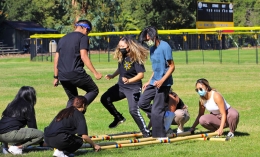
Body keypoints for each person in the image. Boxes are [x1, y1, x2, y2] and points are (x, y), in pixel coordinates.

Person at [100, 36, 150, 137]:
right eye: (119, 46)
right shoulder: (122, 56)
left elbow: (141, 75)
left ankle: (146, 132)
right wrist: (112, 75)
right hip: (121, 87)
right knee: (105, 98)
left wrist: (129, 80)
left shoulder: (135, 58)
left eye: (122, 46)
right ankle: (118, 117)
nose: (120, 48)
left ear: (129, 46)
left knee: (133, 111)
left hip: (133, 88)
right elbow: (121, 69)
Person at [53, 19, 102, 108]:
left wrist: (56, 77)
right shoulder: (83, 37)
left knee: (72, 98)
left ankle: (67, 118)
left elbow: (56, 58)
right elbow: (84, 56)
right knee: (93, 90)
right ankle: (77, 109)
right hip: (76, 73)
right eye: (89, 32)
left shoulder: (63, 38)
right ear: (86, 29)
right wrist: (95, 73)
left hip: (62, 75)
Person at [138, 26, 175, 138]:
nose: (146, 42)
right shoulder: (152, 49)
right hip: (154, 82)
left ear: (154, 36)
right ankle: (159, 115)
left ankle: (159, 135)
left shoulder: (165, 47)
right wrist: (149, 81)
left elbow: (172, 66)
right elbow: (156, 69)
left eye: (147, 39)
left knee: (156, 109)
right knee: (142, 103)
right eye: (145, 40)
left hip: (164, 84)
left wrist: (162, 80)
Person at [0, 86, 44, 155]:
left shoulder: (11, 104)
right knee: (41, 134)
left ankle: (5, 148)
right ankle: (17, 147)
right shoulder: (28, 106)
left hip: (1, 136)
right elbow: (33, 127)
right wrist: (41, 142)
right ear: (30, 96)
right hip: (10, 135)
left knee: (9, 127)